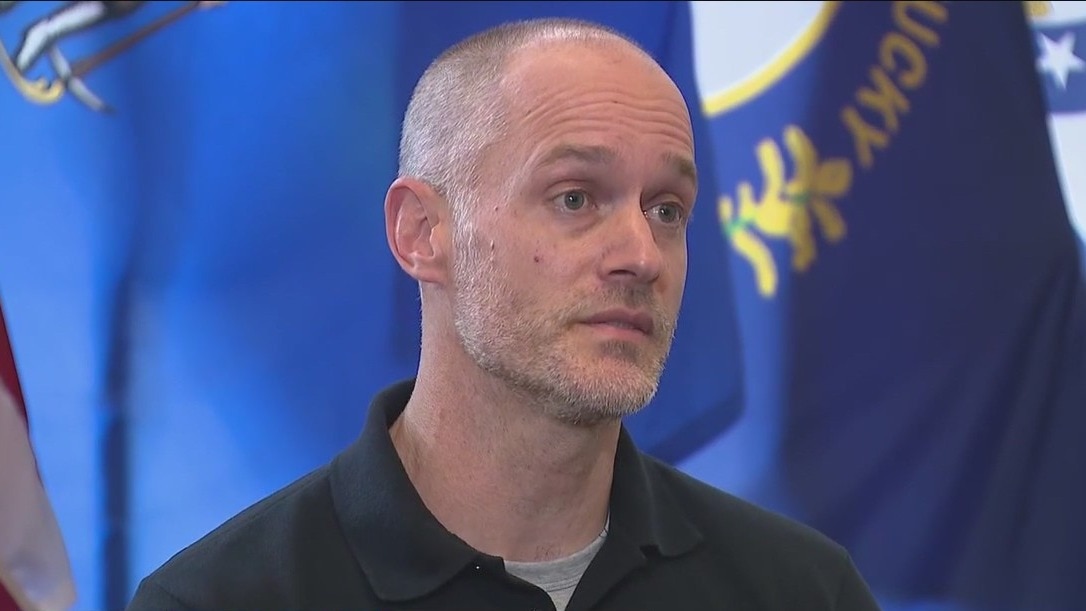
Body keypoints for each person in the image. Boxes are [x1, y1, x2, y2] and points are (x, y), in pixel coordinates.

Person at [126, 17, 881, 611]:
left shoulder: (804, 592)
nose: (641, 254)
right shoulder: (220, 599)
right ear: (421, 233)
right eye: (575, 197)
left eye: (667, 209)